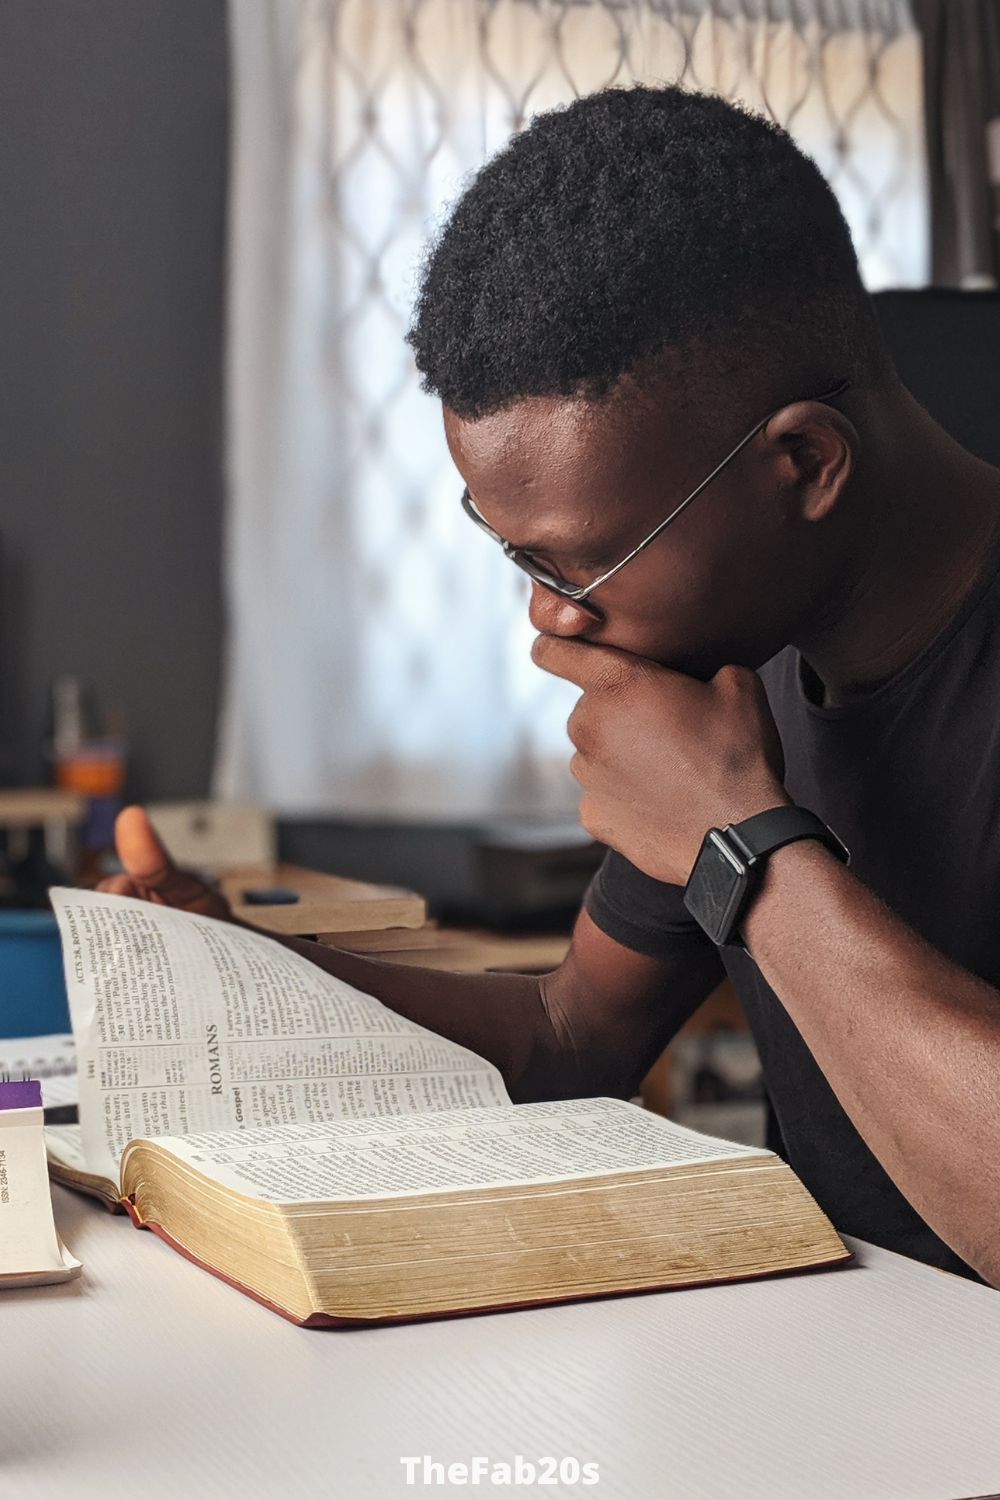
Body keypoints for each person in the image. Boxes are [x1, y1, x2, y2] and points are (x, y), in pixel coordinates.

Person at [102, 86, 1000, 1289]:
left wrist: (738, 844)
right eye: (517, 554)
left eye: (586, 559)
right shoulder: (734, 668)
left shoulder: (720, 763)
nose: (551, 614)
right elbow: (568, 1037)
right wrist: (240, 965)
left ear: (803, 462)